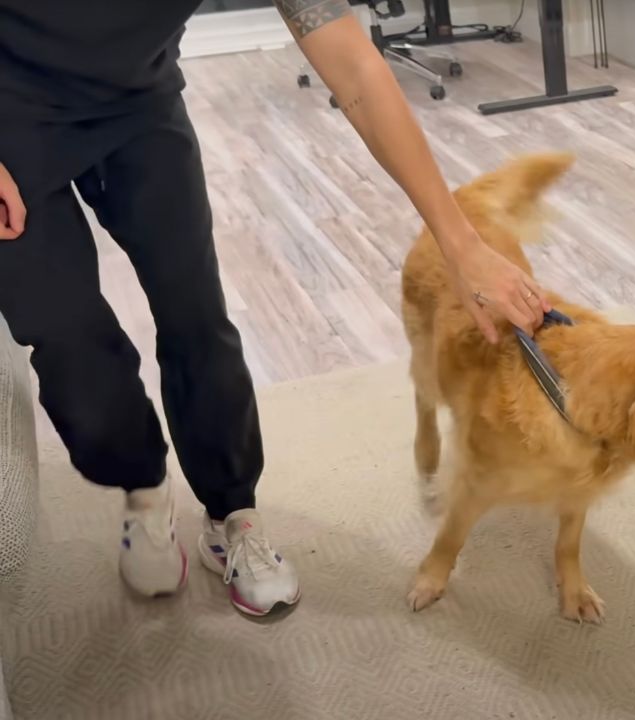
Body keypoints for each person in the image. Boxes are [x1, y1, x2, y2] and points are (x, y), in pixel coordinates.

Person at [0, 0, 549, 616]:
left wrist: (461, 244)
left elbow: (356, 68)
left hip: (138, 102)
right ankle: (144, 490)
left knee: (195, 314)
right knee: (68, 340)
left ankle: (230, 511)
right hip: (10, 111)